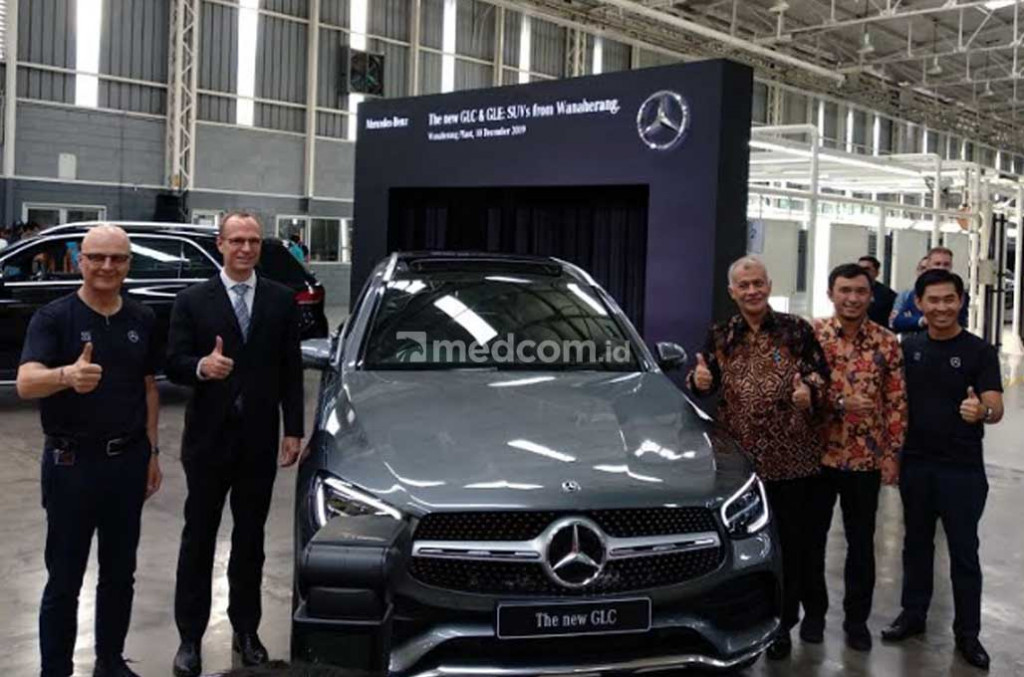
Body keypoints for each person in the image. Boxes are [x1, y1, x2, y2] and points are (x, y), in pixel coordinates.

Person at [16, 225, 163, 677]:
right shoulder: (53, 318)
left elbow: (148, 387)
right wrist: (65, 376)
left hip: (127, 462)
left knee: (120, 574)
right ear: (80, 260)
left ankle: (110, 662)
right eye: (96, 257)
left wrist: (152, 452)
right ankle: (55, 670)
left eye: (117, 258)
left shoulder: (141, 318)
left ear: (129, 264)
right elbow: (25, 382)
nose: (106, 266)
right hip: (71, 466)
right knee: (64, 579)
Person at [167, 211, 304, 677]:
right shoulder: (192, 300)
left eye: (254, 241)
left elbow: (291, 369)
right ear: (221, 244)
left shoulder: (280, 299)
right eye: (237, 240)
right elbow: (174, 362)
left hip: (258, 442)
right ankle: (189, 637)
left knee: (251, 540)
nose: (246, 249)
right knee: (198, 539)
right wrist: (202, 367)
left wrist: (293, 429)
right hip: (208, 440)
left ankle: (247, 630)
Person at [688, 255, 829, 660]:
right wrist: (699, 381)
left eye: (758, 283)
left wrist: (809, 391)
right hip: (741, 467)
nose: (752, 291)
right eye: (744, 285)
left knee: (792, 547)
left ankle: (784, 624)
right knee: (746, 548)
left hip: (793, 460)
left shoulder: (796, 330)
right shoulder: (721, 334)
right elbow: (703, 381)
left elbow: (820, 374)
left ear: (769, 285)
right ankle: (746, 618)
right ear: (732, 291)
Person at [881, 269, 1003, 671]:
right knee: (915, 545)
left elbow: (995, 406)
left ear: (961, 301)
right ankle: (913, 614)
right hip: (916, 465)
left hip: (962, 470)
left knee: (964, 552)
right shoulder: (908, 347)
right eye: (932, 300)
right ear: (918, 303)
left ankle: (968, 633)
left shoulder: (979, 351)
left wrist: (981, 411)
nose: (941, 307)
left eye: (949, 299)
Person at [804, 263, 907, 652]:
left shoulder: (887, 342)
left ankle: (856, 620)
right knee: (811, 541)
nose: (852, 298)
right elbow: (799, 389)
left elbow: (896, 402)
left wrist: (892, 454)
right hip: (816, 456)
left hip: (865, 458)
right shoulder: (812, 334)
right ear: (831, 293)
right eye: (844, 290)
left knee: (862, 544)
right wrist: (839, 402)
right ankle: (813, 615)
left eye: (860, 291)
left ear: (871, 296)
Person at [890, 247, 968, 333]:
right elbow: (898, 322)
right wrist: (921, 321)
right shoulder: (915, 292)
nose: (941, 268)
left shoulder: (958, 291)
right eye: (937, 264)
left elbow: (959, 321)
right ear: (928, 266)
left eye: (946, 264)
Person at [858, 255, 897, 328]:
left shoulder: (888, 295)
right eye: (859, 269)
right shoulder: (849, 291)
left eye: (867, 269)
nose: (862, 272)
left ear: (876, 272)